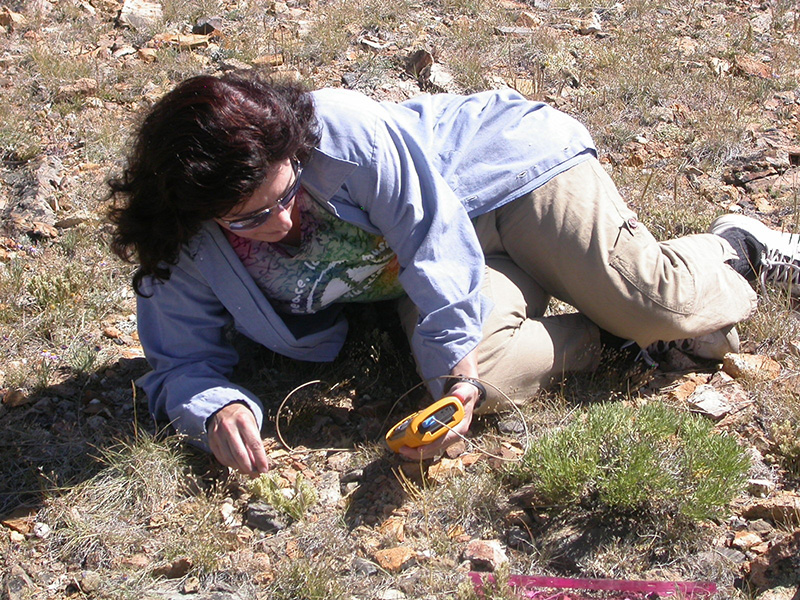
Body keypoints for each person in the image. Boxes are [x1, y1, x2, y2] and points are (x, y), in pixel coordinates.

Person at [108, 70, 795, 476]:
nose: (283, 223)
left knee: (655, 303)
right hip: (446, 269)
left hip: (508, 182)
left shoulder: (339, 131)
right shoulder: (182, 247)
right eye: (248, 220)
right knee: (485, 381)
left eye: (287, 195)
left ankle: (739, 251)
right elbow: (180, 363)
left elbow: (431, 239)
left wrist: (449, 363)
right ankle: (626, 338)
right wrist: (215, 408)